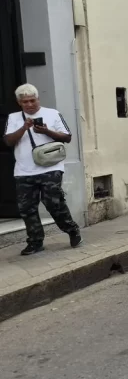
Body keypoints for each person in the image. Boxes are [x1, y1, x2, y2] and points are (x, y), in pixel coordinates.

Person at [3, 83, 81, 255]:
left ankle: (72, 229)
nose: (30, 104)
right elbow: (8, 141)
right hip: (24, 170)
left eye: (33, 100)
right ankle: (35, 241)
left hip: (51, 167)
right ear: (19, 102)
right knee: (27, 208)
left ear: (38, 99)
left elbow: (67, 137)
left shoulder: (52, 113)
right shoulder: (14, 118)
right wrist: (24, 128)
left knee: (53, 203)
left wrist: (47, 131)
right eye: (25, 102)